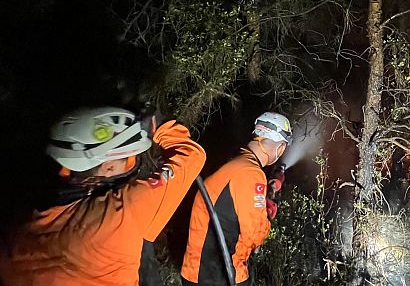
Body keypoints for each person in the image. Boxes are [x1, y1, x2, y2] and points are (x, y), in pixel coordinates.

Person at [0, 106, 206, 286]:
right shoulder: (123, 211)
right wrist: (160, 126)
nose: (131, 165)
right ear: (107, 167)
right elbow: (191, 156)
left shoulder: (19, 222)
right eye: (128, 160)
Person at [181, 112, 292, 286]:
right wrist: (268, 213)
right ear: (281, 148)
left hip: (197, 270)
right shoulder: (251, 173)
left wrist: (266, 193)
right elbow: (254, 235)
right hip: (220, 275)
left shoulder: (236, 164)